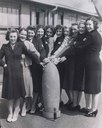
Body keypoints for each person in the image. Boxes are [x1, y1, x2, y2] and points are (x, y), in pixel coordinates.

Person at [0, 28, 40, 122]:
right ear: (8, 37)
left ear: (16, 37)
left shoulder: (20, 45)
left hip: (18, 72)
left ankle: (15, 113)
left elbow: (29, 53)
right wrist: (4, 65)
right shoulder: (4, 46)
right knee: (10, 95)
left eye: (14, 36)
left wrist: (39, 61)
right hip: (8, 73)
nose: (13, 38)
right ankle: (10, 113)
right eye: (11, 36)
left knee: (17, 95)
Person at [83, 17, 102, 117]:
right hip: (93, 62)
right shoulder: (96, 34)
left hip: (92, 63)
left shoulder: (91, 35)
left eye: (90, 24)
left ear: (94, 24)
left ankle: (94, 109)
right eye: (87, 24)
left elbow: (80, 46)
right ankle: (89, 107)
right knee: (91, 85)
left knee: (94, 87)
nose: (88, 26)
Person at [18, 28, 40, 116]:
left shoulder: (28, 43)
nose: (23, 36)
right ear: (18, 34)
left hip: (26, 68)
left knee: (26, 89)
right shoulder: (15, 43)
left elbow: (37, 54)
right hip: (16, 68)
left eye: (24, 34)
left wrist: (29, 55)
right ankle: (21, 107)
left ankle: (26, 106)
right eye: (21, 34)